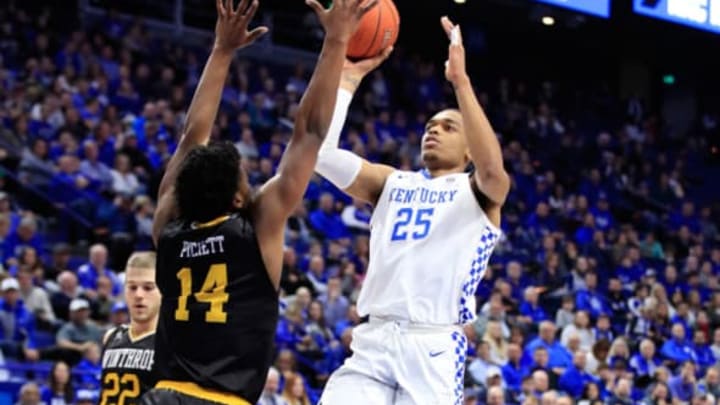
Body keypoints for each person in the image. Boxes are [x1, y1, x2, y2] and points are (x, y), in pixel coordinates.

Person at [141, 0, 375, 404]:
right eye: (247, 179)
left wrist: (221, 51)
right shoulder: (256, 226)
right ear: (236, 196)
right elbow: (309, 132)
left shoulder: (168, 228)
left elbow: (190, 138)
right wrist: (336, 42)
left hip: (162, 395)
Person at [316, 16, 510, 405]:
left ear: (470, 148)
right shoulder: (391, 182)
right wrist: (349, 78)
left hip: (432, 344)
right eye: (429, 126)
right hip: (373, 339)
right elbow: (321, 154)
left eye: (448, 127)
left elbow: (493, 170)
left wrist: (461, 83)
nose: (433, 130)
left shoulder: (477, 192)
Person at [99, 252, 161, 405]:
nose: (139, 295)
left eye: (148, 288)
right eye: (132, 287)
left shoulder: (171, 342)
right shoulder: (111, 336)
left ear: (163, 291)